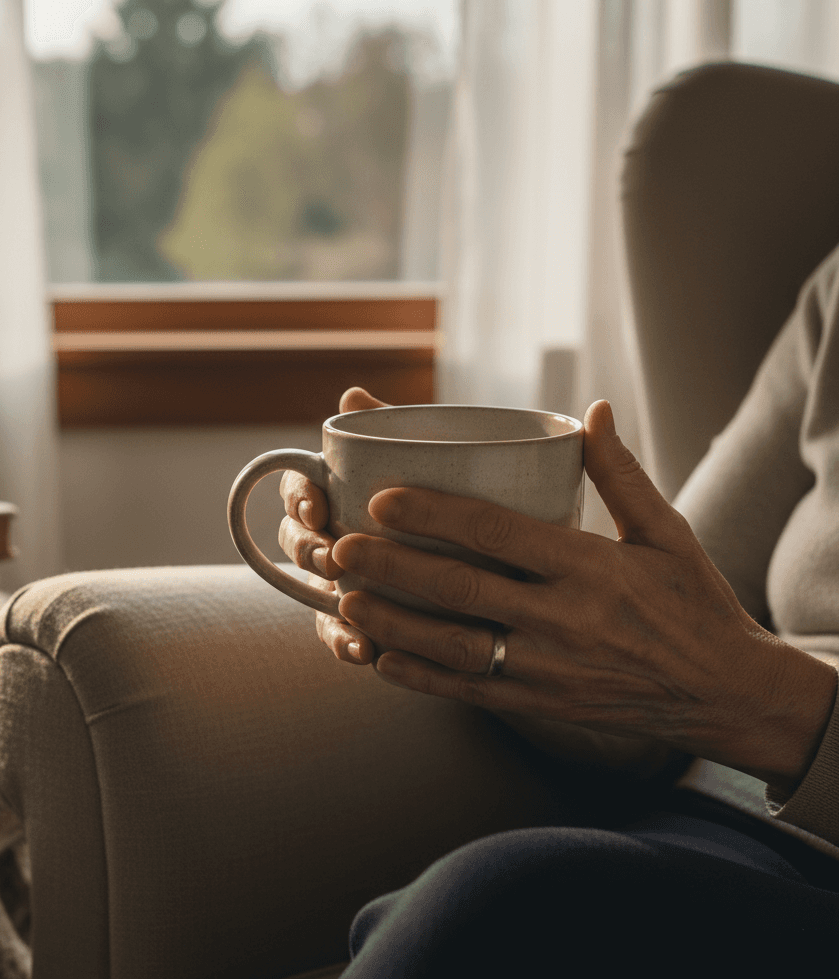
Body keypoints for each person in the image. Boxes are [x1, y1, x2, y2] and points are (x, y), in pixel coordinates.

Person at [276, 243, 839, 974]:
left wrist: (772, 709)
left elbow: (723, 678)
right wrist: (463, 603)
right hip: (725, 827)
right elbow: (681, 657)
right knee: (462, 913)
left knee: (504, 904)